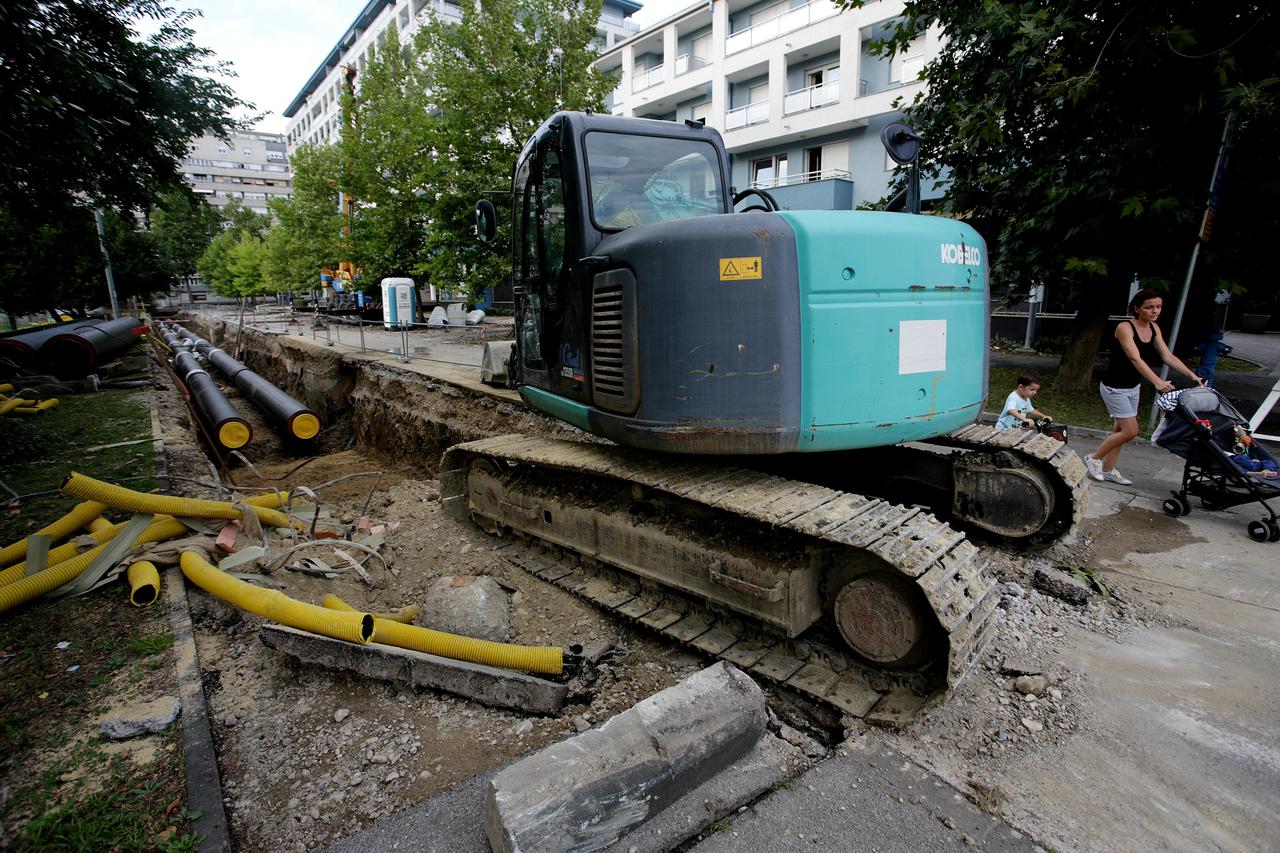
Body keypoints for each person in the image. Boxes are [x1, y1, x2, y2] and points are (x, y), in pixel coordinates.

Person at [1086, 289, 1205, 484]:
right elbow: (1135, 358)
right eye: (1149, 307)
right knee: (1131, 431)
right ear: (1137, 308)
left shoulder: (1154, 328)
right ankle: (1094, 458)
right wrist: (1157, 382)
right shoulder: (1125, 327)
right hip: (1114, 386)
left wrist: (1193, 376)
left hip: (1132, 386)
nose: (1155, 311)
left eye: (1158, 307)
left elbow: (1167, 356)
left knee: (1120, 431)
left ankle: (1107, 469)